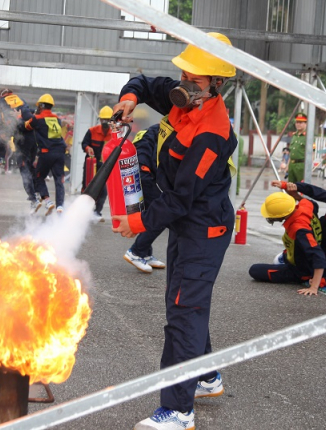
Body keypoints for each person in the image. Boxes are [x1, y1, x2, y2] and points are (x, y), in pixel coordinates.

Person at [110, 32, 237, 430]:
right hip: (188, 222)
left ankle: (179, 410)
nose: (184, 84)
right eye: (184, 74)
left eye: (195, 80)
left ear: (216, 84)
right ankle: (207, 376)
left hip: (204, 228)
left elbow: (182, 197)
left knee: (183, 310)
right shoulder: (181, 99)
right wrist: (130, 97)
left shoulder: (212, 135)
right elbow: (145, 82)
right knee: (187, 303)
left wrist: (139, 223)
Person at [248, 191, 326, 295]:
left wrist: (314, 287)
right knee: (277, 259)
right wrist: (296, 195)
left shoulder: (299, 229)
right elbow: (313, 204)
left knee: (255, 270)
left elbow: (318, 255)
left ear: (281, 215)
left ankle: (304, 275)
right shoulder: (305, 205)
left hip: (302, 269)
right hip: (299, 255)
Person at [122, 124, 167, 273]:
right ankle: (136, 252)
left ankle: (146, 254)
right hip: (143, 174)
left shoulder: (149, 130)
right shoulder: (163, 131)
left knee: (149, 213)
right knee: (162, 214)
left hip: (136, 174)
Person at [23, 93, 66, 216]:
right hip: (60, 152)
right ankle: (60, 206)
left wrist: (29, 115)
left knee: (38, 176)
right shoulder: (57, 118)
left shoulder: (37, 118)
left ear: (41, 106)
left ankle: (47, 200)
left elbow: (27, 126)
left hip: (47, 153)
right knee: (59, 179)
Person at [81, 106, 115, 221]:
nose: (105, 122)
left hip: (105, 167)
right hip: (91, 165)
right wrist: (88, 148)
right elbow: (84, 143)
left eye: (107, 120)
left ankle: (97, 212)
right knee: (87, 188)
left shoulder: (114, 134)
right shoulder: (92, 131)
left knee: (104, 191)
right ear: (100, 120)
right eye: (103, 120)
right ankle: (85, 211)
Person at [287, 113, 308, 183]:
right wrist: (287, 165)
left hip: (301, 166)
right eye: (297, 122)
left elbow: (311, 153)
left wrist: (309, 168)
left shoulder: (307, 136)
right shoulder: (294, 136)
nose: (298, 124)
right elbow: (291, 153)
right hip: (292, 165)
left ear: (305, 124)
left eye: (300, 122)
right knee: (290, 187)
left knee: (302, 187)